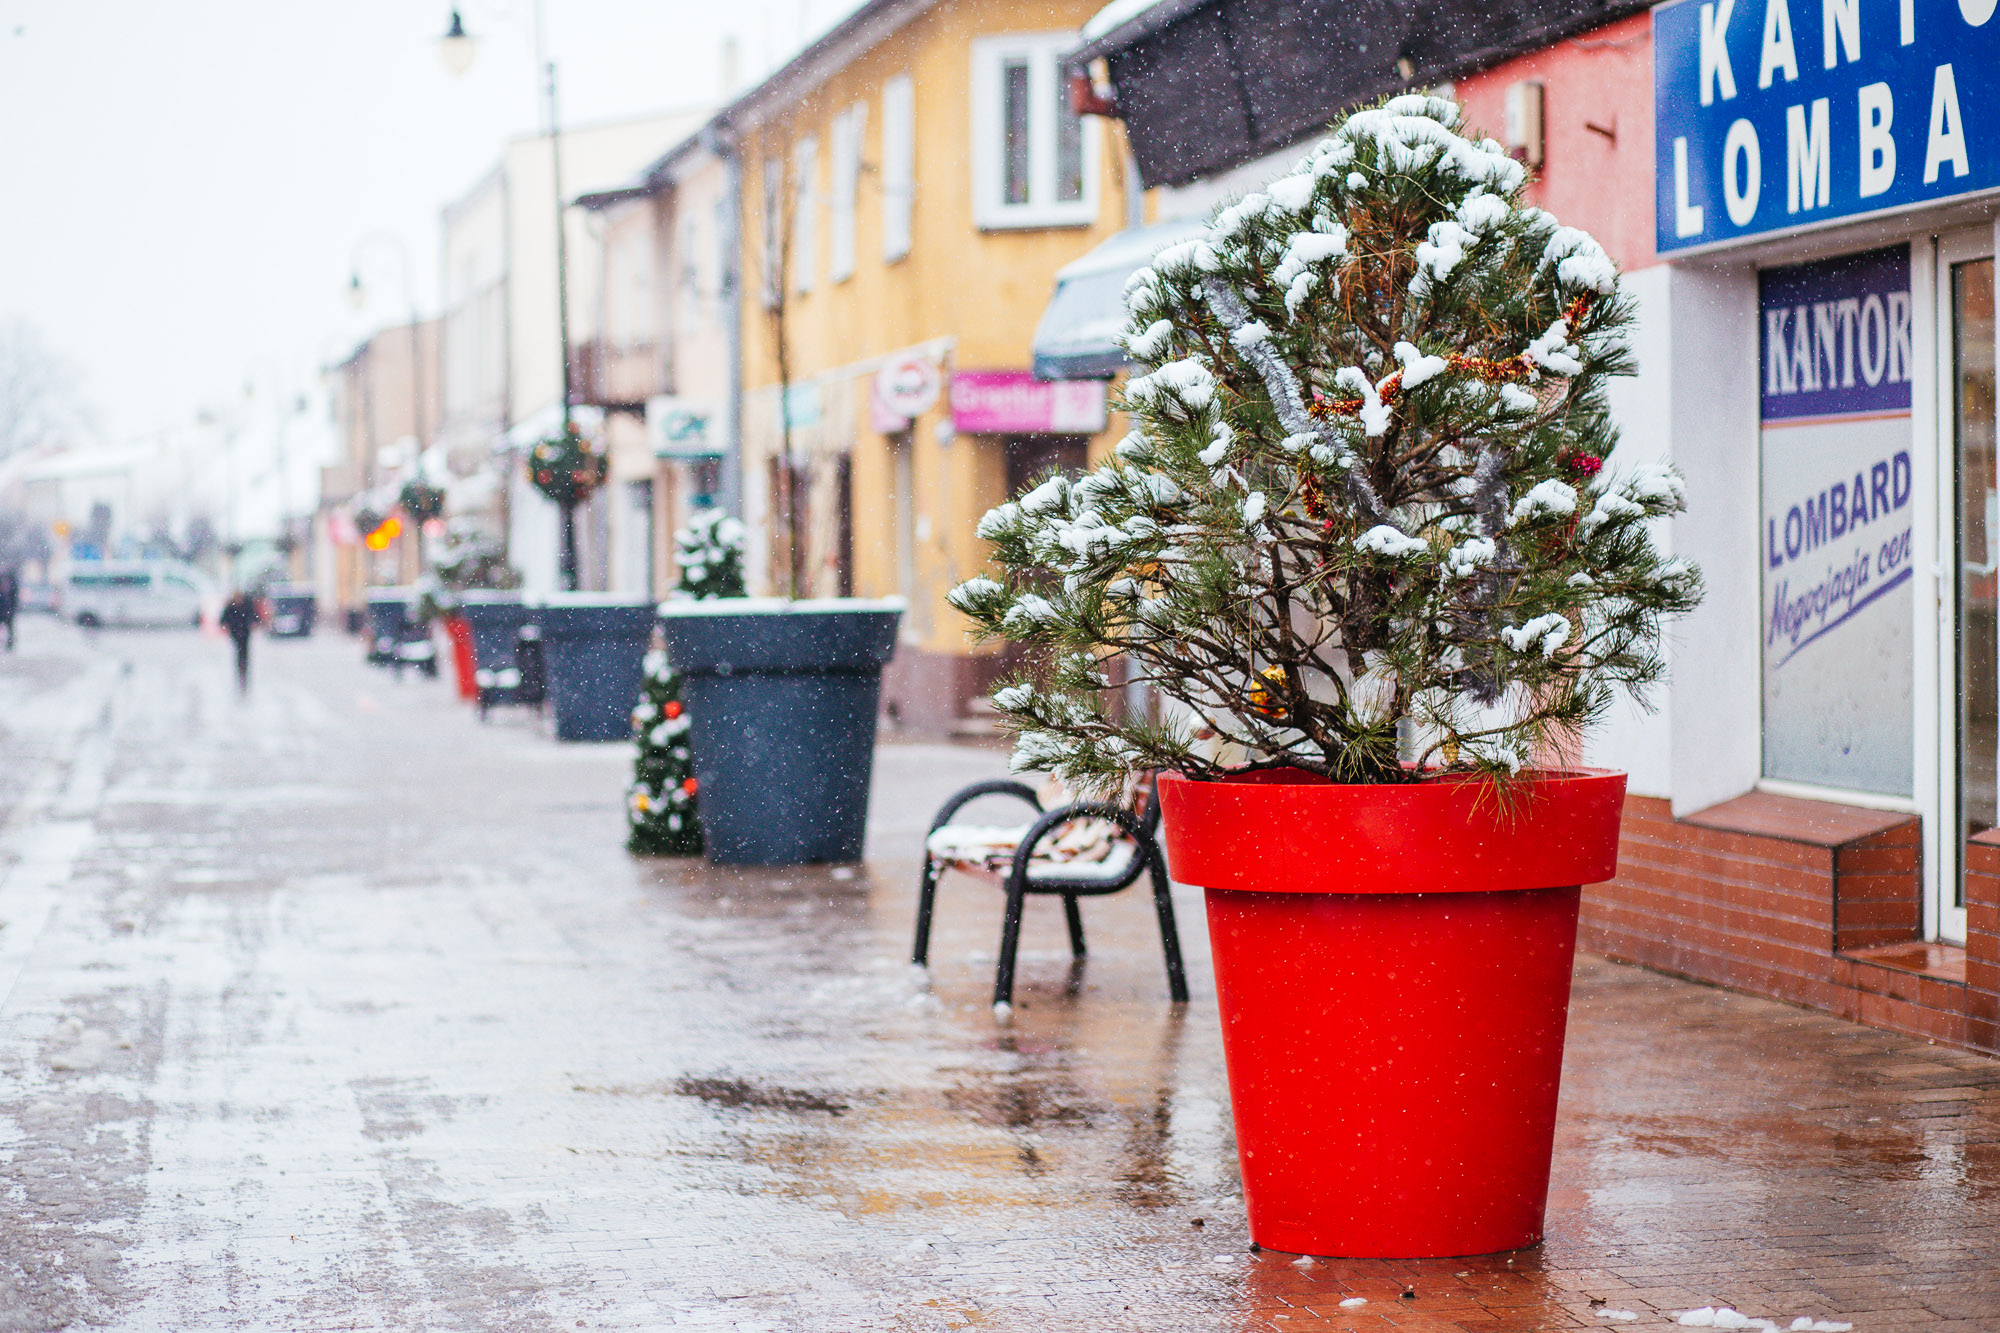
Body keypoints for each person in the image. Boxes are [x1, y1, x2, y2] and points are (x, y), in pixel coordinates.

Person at [220, 590, 258, 691]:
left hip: (244, 634)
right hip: (236, 634)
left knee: (244, 653)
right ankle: (241, 670)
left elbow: (254, 617)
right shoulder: (231, 607)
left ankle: (243, 670)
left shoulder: (246, 605)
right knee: (239, 653)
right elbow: (223, 619)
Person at [0, 567, 18, 651]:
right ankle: (9, 643)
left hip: (7, 609)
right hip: (6, 609)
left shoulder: (12, 582)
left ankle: (10, 643)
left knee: (10, 628)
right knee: (9, 628)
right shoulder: (11, 582)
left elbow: (14, 597)